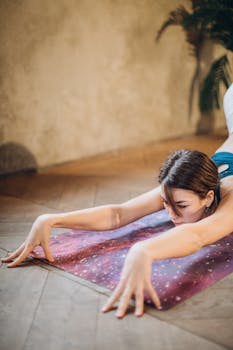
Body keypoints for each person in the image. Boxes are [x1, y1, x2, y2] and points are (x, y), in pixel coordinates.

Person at [2, 83, 233, 319]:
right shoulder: (183, 184)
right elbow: (118, 214)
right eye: (165, 203)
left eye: (182, 207)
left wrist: (144, 250)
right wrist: (51, 219)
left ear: (209, 198)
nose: (172, 215)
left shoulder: (230, 198)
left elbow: (198, 235)